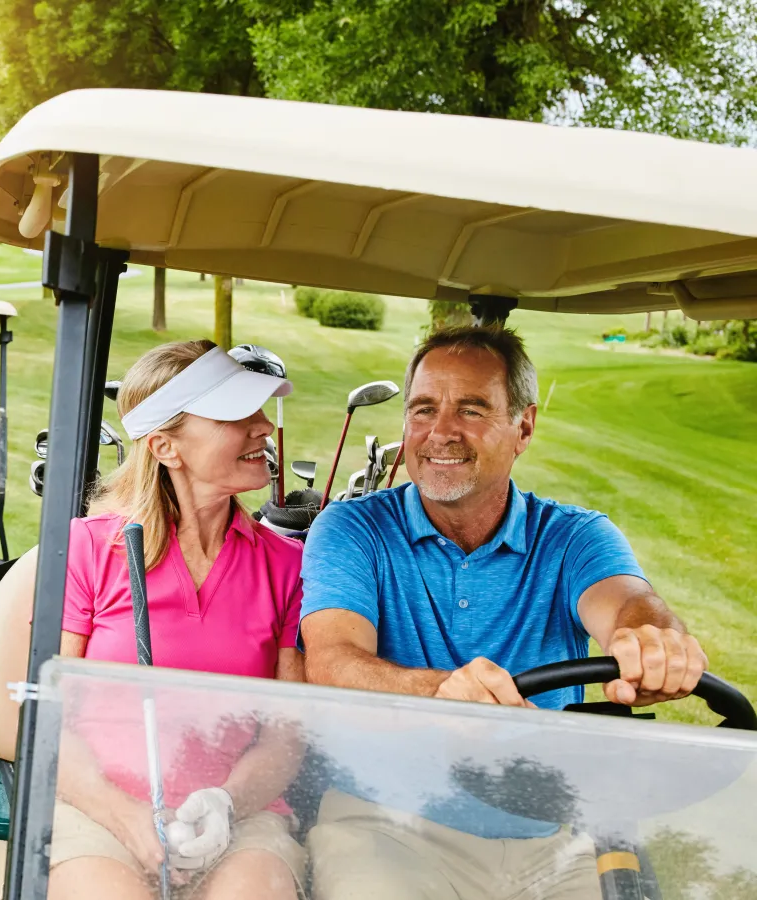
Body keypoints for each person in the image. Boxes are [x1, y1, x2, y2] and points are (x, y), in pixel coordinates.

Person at [298, 325, 708, 900]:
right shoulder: (353, 529)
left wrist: (652, 640)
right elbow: (333, 661)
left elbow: (630, 604)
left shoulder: (573, 536)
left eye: (471, 409)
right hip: (384, 823)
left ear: (524, 427)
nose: (441, 432)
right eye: (423, 409)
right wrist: (440, 691)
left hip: (550, 838)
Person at [49, 340, 307, 900]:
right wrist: (125, 817)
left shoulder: (289, 566)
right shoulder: (89, 550)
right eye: (239, 416)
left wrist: (226, 805)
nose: (264, 428)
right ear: (167, 446)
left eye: (261, 413)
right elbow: (50, 722)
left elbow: (286, 736)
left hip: (241, 815)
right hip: (95, 808)